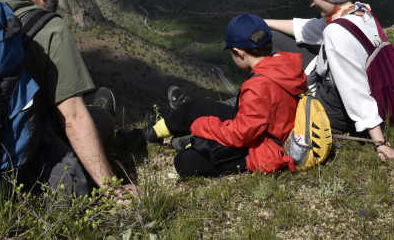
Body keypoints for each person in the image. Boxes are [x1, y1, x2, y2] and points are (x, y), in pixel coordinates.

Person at [0, 0, 133, 196]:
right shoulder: (50, 26)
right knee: (98, 116)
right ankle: (101, 112)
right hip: (25, 155)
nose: (58, 1)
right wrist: (113, 190)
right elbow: (73, 118)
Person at [265, 0, 394, 170]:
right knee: (274, 35)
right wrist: (262, 22)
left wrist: (381, 143)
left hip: (334, 113)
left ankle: (259, 98)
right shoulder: (359, 12)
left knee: (269, 55)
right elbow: (305, 29)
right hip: (381, 99)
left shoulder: (336, 33)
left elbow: (354, 90)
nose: (311, 3)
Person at [119, 13, 307, 177]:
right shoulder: (285, 65)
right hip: (265, 130)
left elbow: (240, 136)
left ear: (239, 53)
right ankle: (152, 133)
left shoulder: (258, 86)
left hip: (263, 148)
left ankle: (191, 141)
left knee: (185, 162)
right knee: (196, 106)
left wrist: (202, 126)